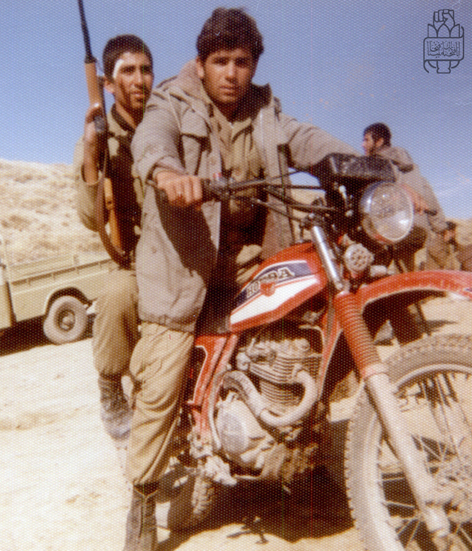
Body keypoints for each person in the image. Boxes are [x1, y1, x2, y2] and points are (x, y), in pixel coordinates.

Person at [125, 8, 358, 549]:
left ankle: (304, 469)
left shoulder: (266, 112)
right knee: (161, 382)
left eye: (243, 62)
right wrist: (167, 172)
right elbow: (151, 140)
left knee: (306, 344)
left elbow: (308, 139)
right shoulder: (170, 101)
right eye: (221, 61)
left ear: (254, 65)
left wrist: (371, 168)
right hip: (184, 268)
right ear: (201, 63)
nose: (232, 73)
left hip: (250, 260)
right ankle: (142, 498)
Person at [73, 35, 154, 452]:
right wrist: (92, 151)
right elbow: (92, 219)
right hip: (137, 262)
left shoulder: (168, 123)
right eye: (127, 71)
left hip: (182, 253)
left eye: (145, 69)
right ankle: (110, 387)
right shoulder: (99, 140)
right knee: (116, 294)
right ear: (107, 83)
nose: (139, 80)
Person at [362, 122, 447, 272]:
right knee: (406, 272)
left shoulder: (377, 164)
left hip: (393, 229)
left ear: (379, 141)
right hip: (416, 230)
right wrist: (440, 227)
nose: (363, 145)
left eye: (366, 140)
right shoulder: (412, 168)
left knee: (375, 273)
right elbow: (429, 197)